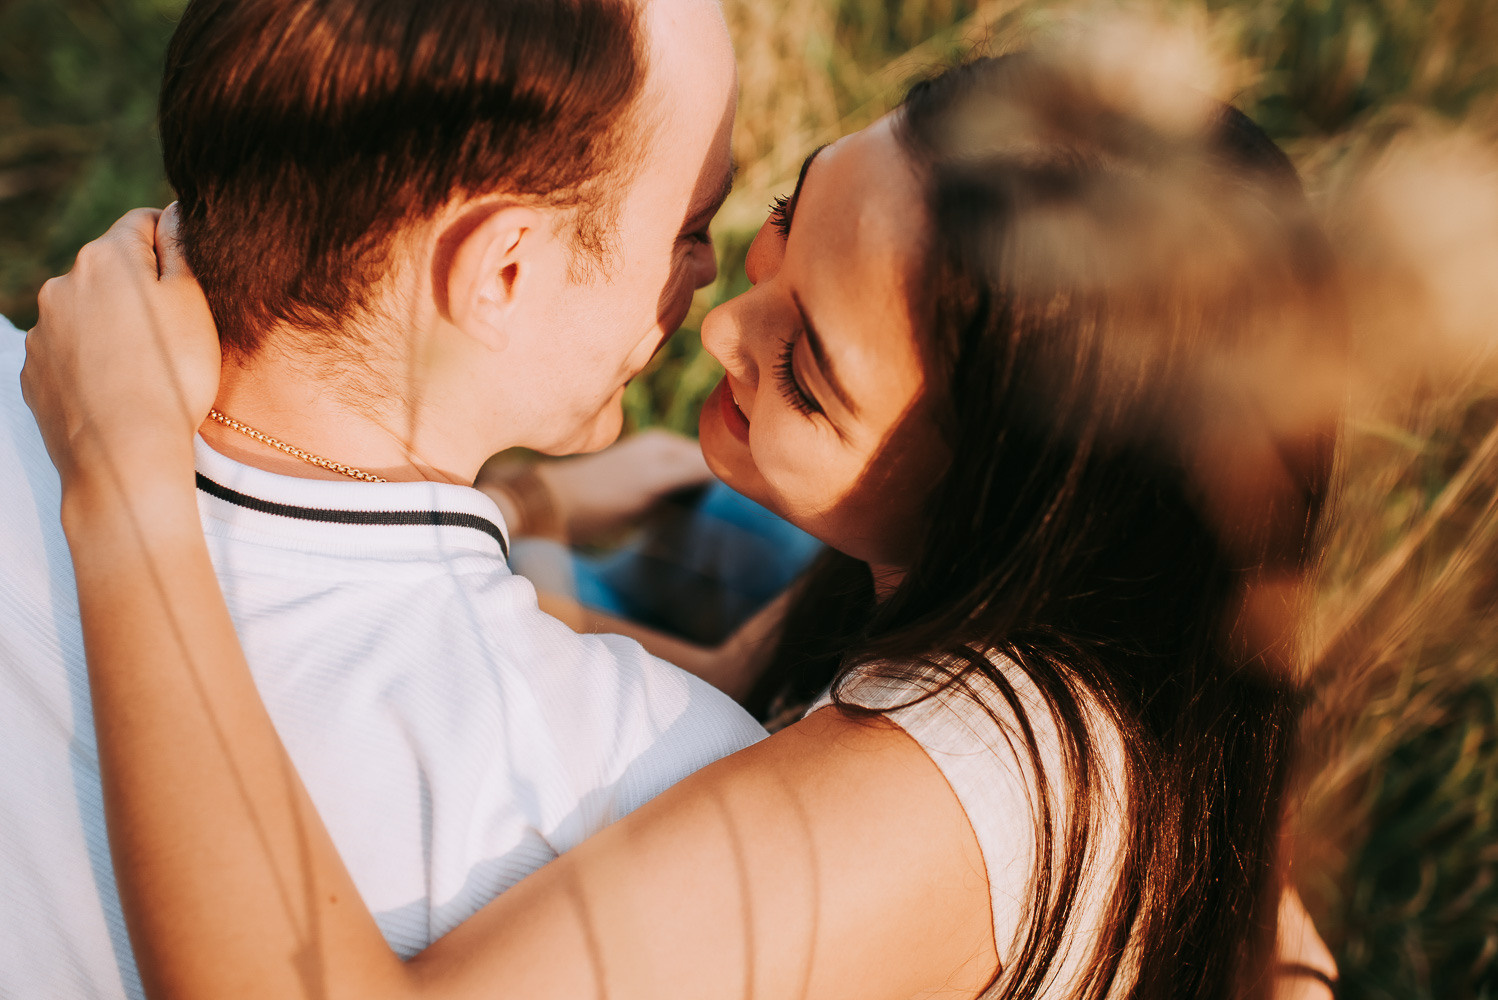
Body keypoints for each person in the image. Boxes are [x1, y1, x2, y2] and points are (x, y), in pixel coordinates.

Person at [25, 50, 1343, 1000]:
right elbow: (734, 697)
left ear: (1007, 510)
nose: (721, 327)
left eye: (808, 368)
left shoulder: (935, 805)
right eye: (781, 227)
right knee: (668, 532)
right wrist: (511, 517)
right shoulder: (1053, 630)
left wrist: (129, 478)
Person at [0, 0, 773, 996]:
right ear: (502, 270)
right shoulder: (651, 783)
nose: (707, 272)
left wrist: (530, 509)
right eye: (691, 228)